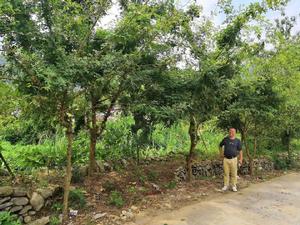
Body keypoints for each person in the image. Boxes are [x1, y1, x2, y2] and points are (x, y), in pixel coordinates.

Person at [219, 128, 243, 192]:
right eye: (230, 131)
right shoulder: (225, 139)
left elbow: (240, 151)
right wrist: (221, 154)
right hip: (226, 159)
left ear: (235, 133)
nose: (231, 133)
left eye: (232, 132)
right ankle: (225, 185)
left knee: (234, 174)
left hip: (234, 159)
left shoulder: (237, 141)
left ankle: (233, 186)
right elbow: (220, 145)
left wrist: (241, 159)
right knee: (226, 173)